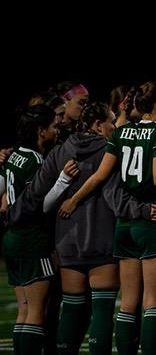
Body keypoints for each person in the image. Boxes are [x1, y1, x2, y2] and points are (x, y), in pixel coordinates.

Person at [11, 102, 156, 354]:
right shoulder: (109, 151)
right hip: (101, 239)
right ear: (97, 125)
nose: (115, 127)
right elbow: (115, 196)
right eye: (112, 122)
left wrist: (12, 216)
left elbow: (36, 193)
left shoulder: (60, 150)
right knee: (102, 311)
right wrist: (144, 210)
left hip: (67, 241)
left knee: (71, 309)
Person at [57, 81, 156, 354]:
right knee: (152, 301)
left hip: (125, 226)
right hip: (152, 220)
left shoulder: (121, 133)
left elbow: (99, 176)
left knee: (128, 302)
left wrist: (73, 199)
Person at [0, 105, 58, 354]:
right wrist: (64, 180)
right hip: (32, 238)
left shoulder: (14, 155)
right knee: (35, 311)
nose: (57, 130)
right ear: (41, 130)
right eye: (53, 126)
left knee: (24, 309)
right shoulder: (35, 160)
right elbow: (40, 203)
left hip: (11, 237)